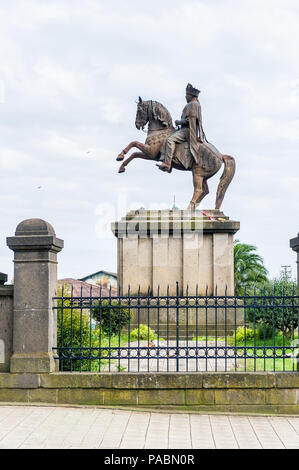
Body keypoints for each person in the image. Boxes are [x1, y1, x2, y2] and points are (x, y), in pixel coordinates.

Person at [158, 83, 206, 172]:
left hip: (187, 131)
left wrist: (179, 122)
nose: (185, 97)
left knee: (170, 140)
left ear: (191, 95)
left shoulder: (193, 104)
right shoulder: (194, 104)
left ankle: (167, 163)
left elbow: (191, 120)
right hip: (184, 129)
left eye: (187, 95)